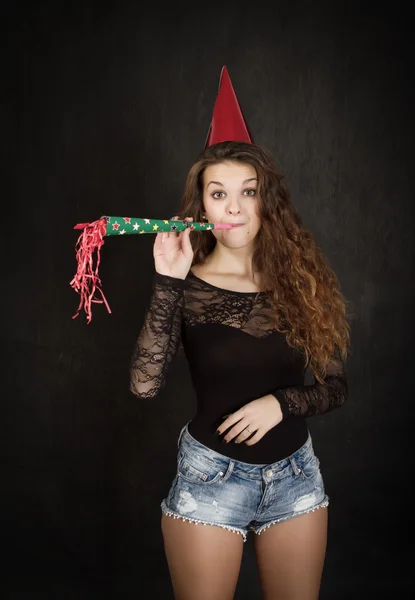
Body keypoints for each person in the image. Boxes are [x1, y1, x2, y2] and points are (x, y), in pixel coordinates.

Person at [129, 69, 350, 600]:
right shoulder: (184, 282)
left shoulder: (302, 278)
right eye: (218, 193)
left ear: (265, 201)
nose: (232, 207)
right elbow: (143, 385)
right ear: (200, 206)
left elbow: (336, 386)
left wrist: (280, 404)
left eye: (247, 193)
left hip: (296, 475)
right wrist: (166, 282)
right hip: (211, 479)